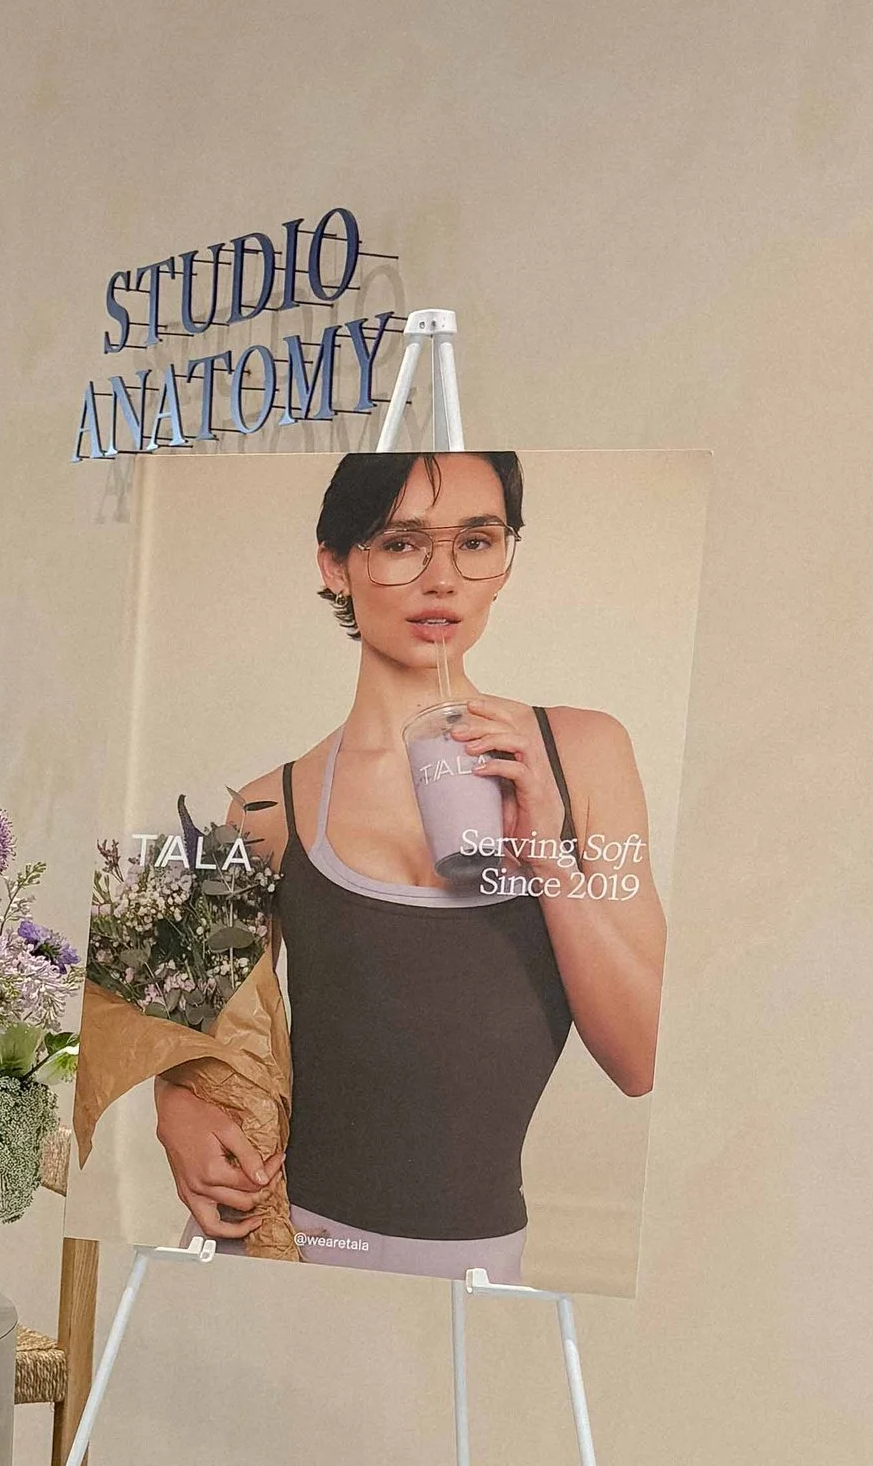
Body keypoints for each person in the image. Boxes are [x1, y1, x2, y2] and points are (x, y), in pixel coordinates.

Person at [152, 450, 665, 1283]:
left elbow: (642, 1060)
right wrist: (172, 1104)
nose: (442, 579)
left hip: (475, 1266)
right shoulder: (263, 808)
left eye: (475, 541)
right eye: (399, 544)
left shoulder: (583, 755)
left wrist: (543, 852)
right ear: (334, 564)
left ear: (504, 563)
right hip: (279, 1244)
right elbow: (168, 1018)